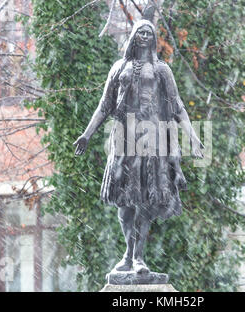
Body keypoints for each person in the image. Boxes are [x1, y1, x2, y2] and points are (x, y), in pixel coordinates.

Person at [73, 19, 203, 274]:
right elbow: (104, 105)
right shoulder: (118, 67)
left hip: (150, 137)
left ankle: (139, 257)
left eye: (149, 32)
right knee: (124, 200)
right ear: (133, 36)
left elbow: (177, 106)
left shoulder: (161, 70)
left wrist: (193, 137)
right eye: (140, 32)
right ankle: (128, 254)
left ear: (154, 39)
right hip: (123, 137)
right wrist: (87, 135)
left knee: (145, 199)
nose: (144, 36)